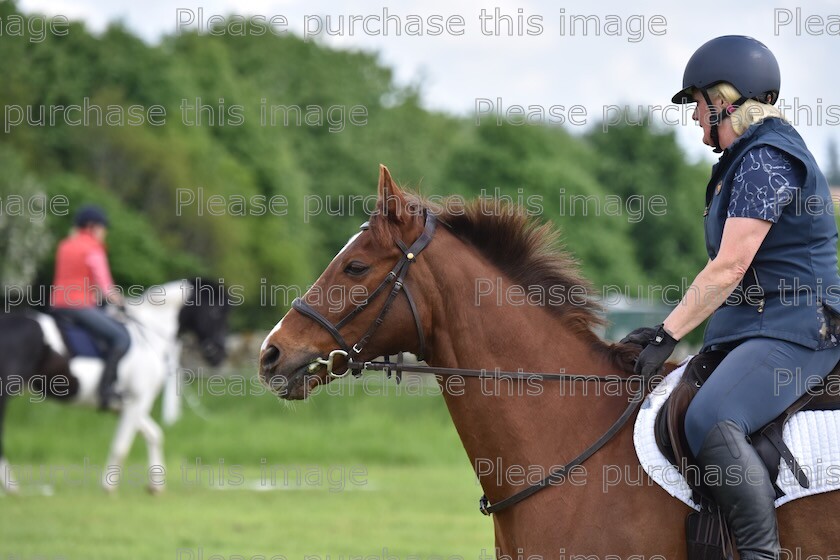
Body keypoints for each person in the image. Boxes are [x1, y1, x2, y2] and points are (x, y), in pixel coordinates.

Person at [621, 36, 840, 559]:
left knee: (711, 417)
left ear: (726, 98)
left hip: (799, 329)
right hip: (759, 328)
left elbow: (731, 265)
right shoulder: (743, 162)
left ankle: (760, 554)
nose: (695, 116)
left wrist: (667, 331)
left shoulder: (767, 158)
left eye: (697, 103)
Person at [51, 205, 129, 411]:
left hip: (58, 306)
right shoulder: (93, 249)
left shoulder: (65, 245)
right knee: (121, 338)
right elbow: (105, 288)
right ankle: (106, 391)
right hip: (78, 307)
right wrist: (123, 303)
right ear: (93, 227)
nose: (105, 233)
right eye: (103, 228)